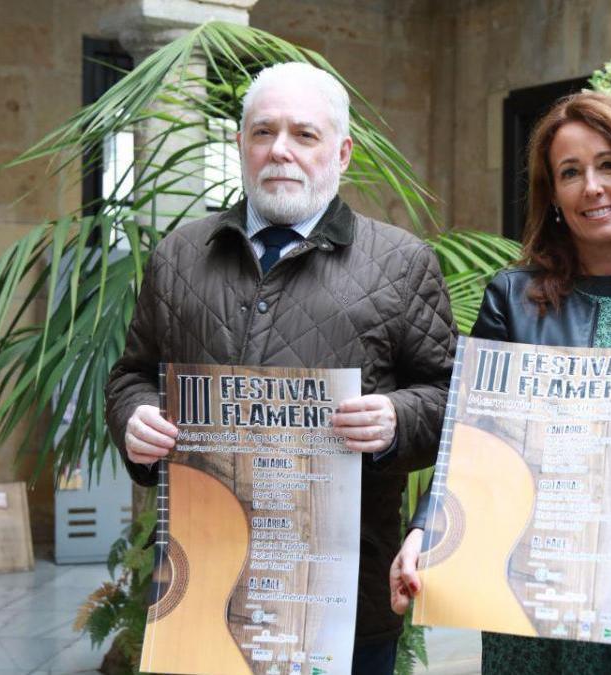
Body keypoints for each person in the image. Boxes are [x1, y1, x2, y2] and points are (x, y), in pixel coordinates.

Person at [104, 61, 456, 674]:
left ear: (342, 152)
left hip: (342, 596)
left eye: (305, 135)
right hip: (208, 585)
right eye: (263, 133)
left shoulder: (402, 263)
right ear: (241, 145)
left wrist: (399, 418)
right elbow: (131, 373)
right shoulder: (180, 256)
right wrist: (133, 418)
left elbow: (452, 400)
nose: (280, 151)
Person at [389, 91, 611, 674]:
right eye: (571, 172)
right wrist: (425, 531)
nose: (592, 186)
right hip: (531, 572)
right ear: (555, 196)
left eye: (608, 165)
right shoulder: (512, 297)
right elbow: (472, 441)